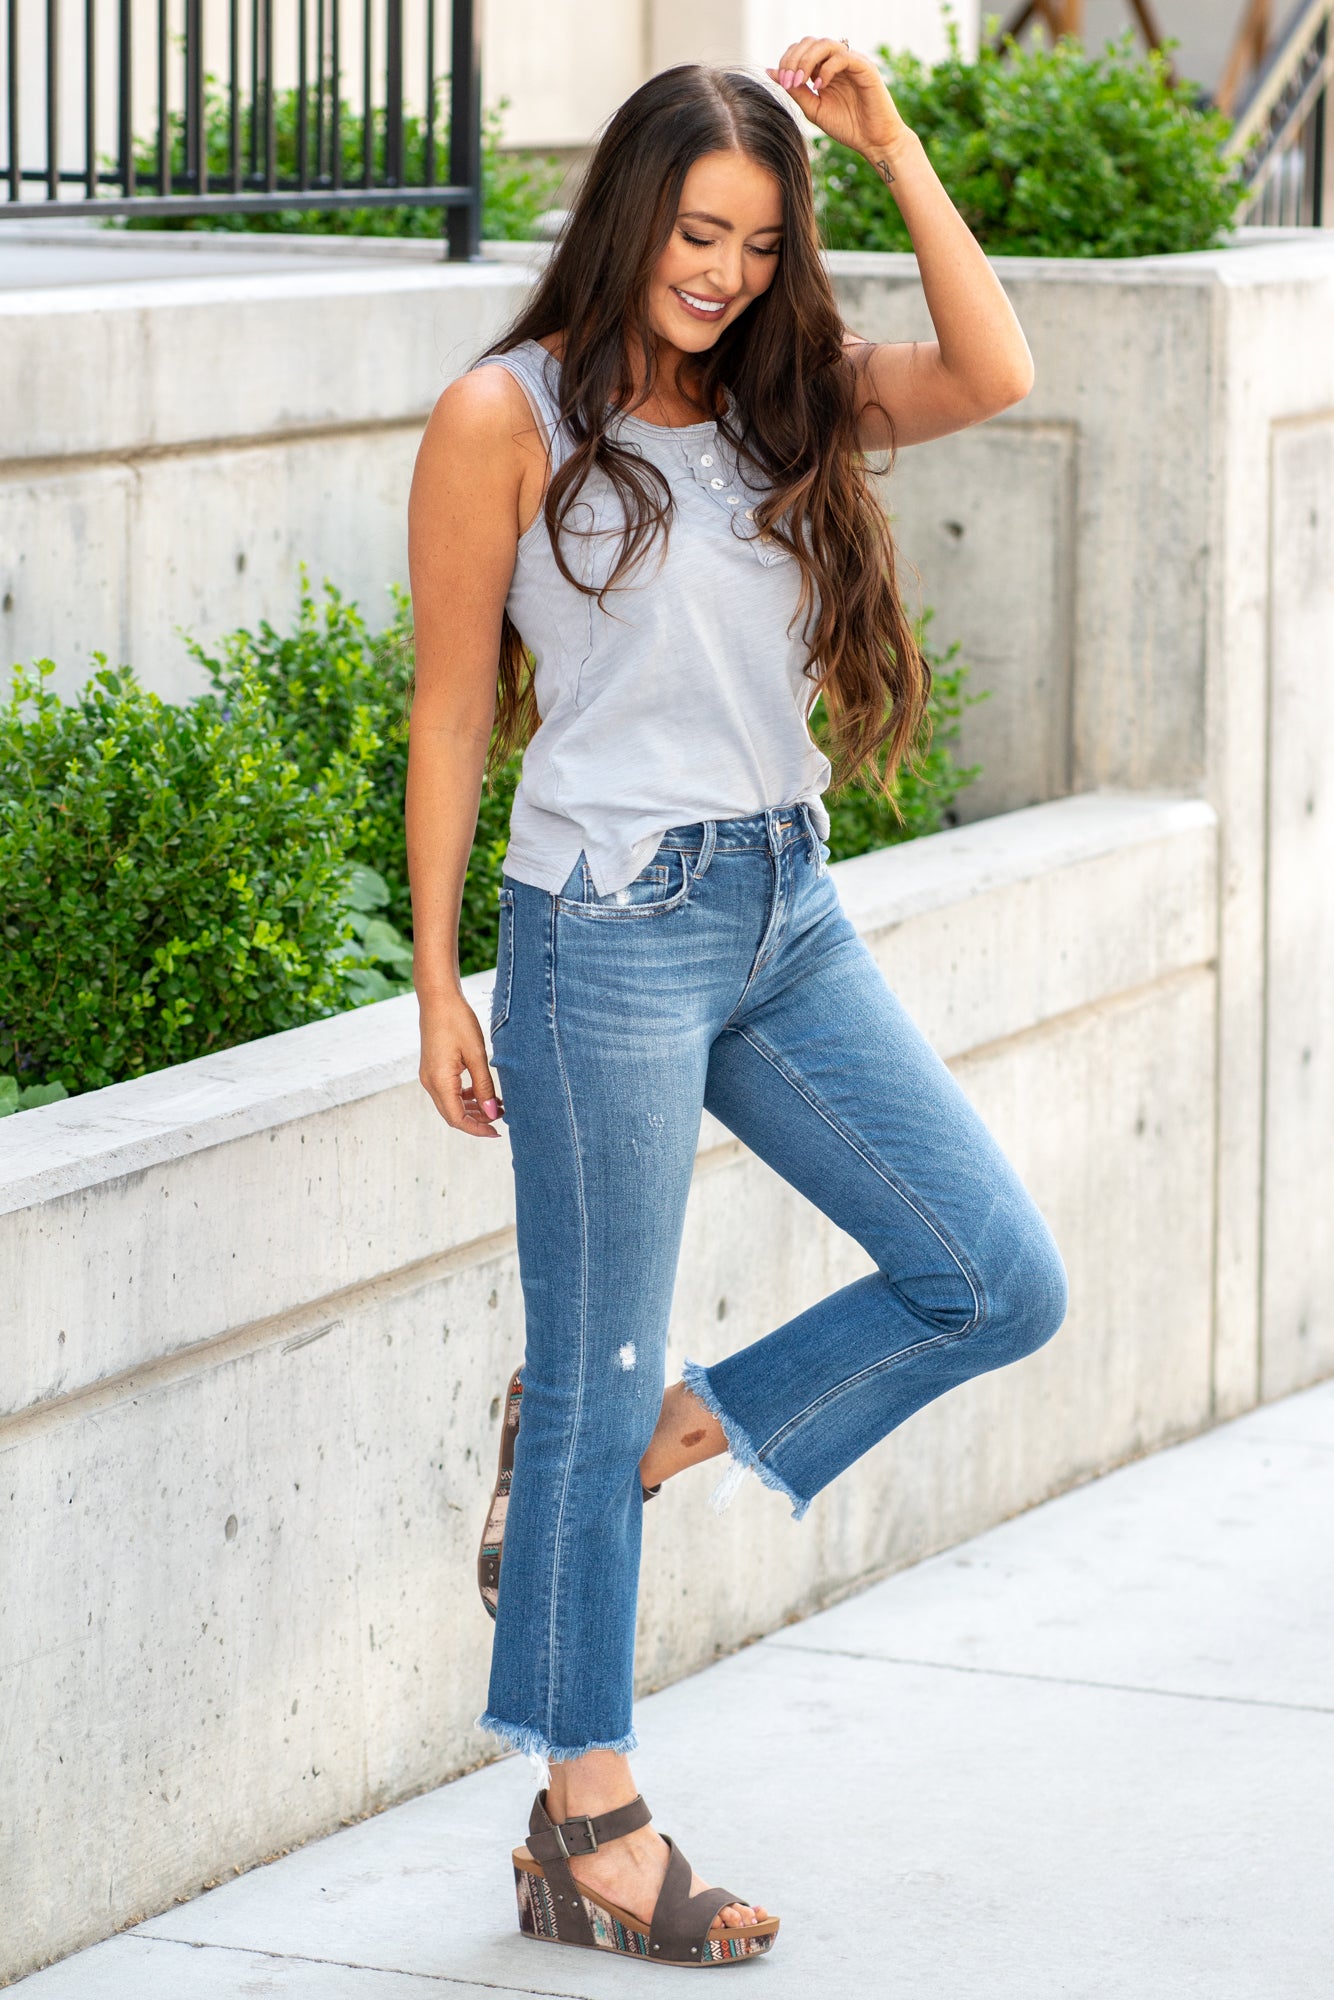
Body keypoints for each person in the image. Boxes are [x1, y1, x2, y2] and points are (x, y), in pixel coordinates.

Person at [405, 35, 1068, 1969]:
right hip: (602, 928)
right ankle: (587, 1823)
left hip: (785, 911)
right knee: (592, 1350)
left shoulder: (786, 394)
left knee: (993, 1275)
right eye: (698, 232)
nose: (723, 273)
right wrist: (436, 977)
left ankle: (639, 1439)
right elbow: (450, 709)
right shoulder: (502, 416)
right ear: (629, 211)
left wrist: (890, 140)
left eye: (761, 243)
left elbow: (996, 370)